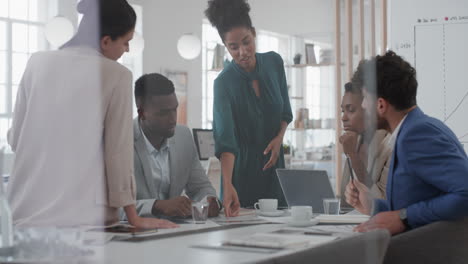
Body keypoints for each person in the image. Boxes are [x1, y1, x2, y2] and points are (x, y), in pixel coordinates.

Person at [6, 0, 176, 229]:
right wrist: (133, 216)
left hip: (23, 214)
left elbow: (16, 138)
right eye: (126, 42)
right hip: (82, 219)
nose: (127, 50)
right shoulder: (117, 75)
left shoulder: (36, 62)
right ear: (105, 41)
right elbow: (118, 153)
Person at [345, 51, 468, 235]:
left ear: (380, 105)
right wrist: (373, 206)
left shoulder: (416, 135)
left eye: (365, 99)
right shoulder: (412, 129)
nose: (363, 106)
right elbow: (413, 203)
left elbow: (465, 193)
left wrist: (403, 217)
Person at [205, 0, 293, 216]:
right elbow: (226, 141)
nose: (242, 51)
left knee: (280, 237)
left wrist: (279, 137)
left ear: (254, 33)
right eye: (233, 47)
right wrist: (227, 185)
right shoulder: (223, 83)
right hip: (241, 175)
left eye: (246, 42)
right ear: (226, 46)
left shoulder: (274, 63)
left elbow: (285, 113)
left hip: (274, 170)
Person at [133, 73, 221, 219]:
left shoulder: (183, 136)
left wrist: (209, 201)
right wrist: (157, 206)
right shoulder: (121, 140)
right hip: (134, 236)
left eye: (175, 109)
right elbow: (109, 208)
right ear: (142, 113)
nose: (173, 119)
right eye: (164, 113)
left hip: (176, 233)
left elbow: (201, 188)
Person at [339, 82, 392, 209]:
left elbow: (381, 201)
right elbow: (345, 203)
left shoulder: (389, 144)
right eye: (342, 111)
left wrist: (353, 156)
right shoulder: (354, 141)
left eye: (351, 110)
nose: (343, 118)